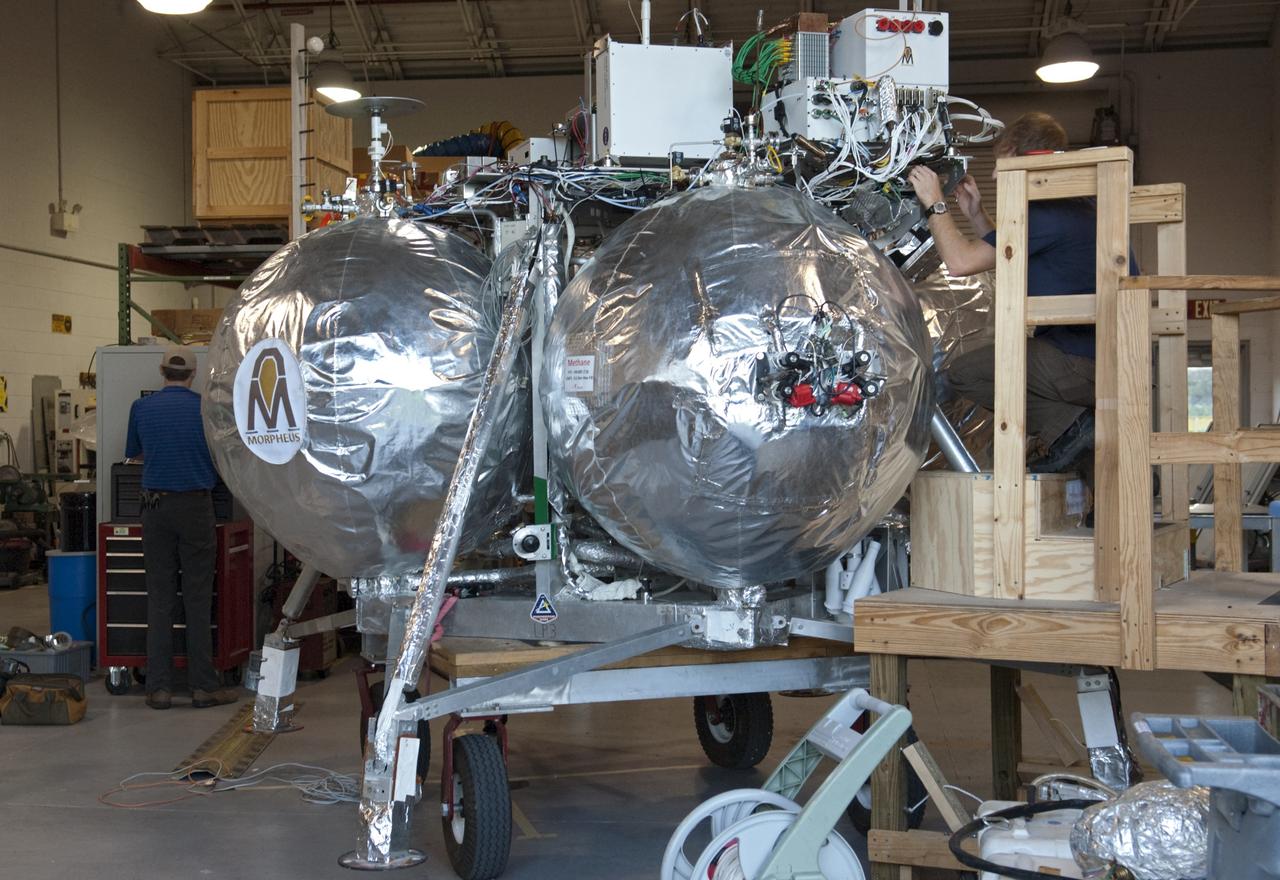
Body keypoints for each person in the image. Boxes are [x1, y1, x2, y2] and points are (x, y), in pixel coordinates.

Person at [906, 112, 1132, 478]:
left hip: (1081, 362)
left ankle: (1070, 426)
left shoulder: (1045, 213)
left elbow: (961, 262)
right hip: (1105, 358)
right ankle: (1092, 451)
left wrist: (935, 202)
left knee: (964, 373)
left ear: (1017, 155)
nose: (994, 175)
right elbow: (1013, 254)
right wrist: (977, 216)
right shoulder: (1075, 207)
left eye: (999, 164)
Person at [125, 346, 237, 710]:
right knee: (197, 598)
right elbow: (220, 458)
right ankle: (203, 686)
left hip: (155, 509)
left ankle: (158, 689)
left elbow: (134, 453)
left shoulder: (141, 409)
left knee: (160, 600)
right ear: (193, 375)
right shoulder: (205, 410)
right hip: (195, 507)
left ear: (161, 371)